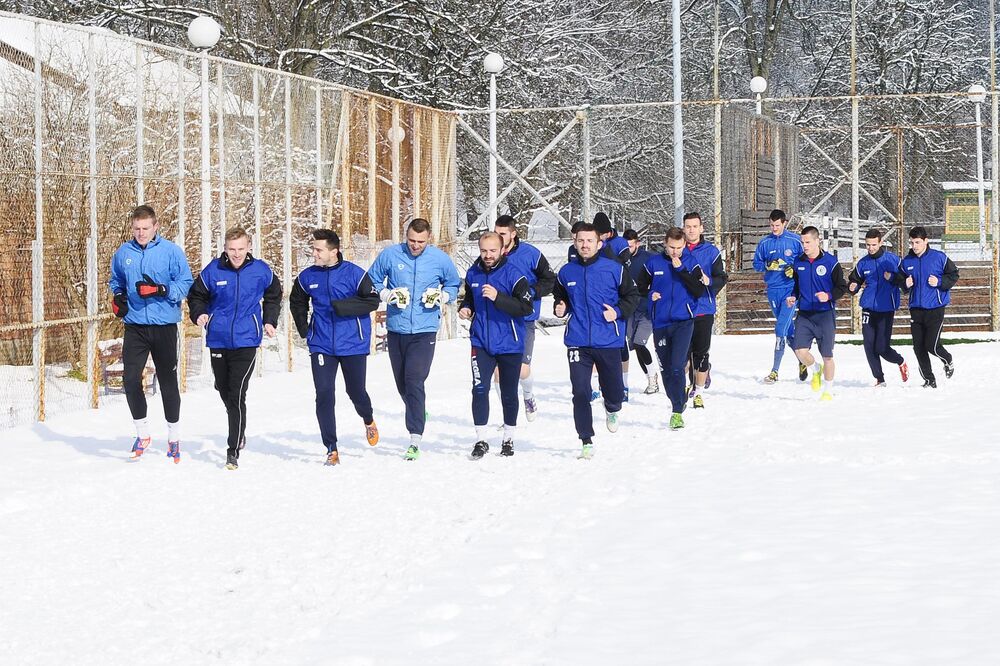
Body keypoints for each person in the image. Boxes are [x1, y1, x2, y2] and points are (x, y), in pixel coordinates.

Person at [187, 228, 283, 469]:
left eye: (241, 249)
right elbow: (196, 296)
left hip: (247, 339)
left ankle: (233, 448)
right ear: (225, 248)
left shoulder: (261, 270)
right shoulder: (213, 270)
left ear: (249, 246)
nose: (237, 254)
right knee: (223, 387)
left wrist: (270, 320)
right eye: (232, 249)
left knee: (237, 392)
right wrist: (199, 314)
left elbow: (274, 294)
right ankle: (238, 427)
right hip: (218, 338)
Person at [368, 218, 461, 460]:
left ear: (428, 239)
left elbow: (453, 283)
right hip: (397, 328)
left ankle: (415, 438)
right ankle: (418, 408)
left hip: (425, 329)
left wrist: (441, 296)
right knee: (402, 383)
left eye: (420, 241)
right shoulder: (390, 255)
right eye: (411, 240)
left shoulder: (439, 259)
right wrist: (387, 294)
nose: (415, 245)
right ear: (405, 235)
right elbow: (373, 279)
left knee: (414, 379)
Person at [109, 205, 193, 462]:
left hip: (165, 326)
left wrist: (162, 290)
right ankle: (142, 433)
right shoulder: (124, 253)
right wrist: (119, 297)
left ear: (156, 227)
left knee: (168, 383)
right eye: (137, 229)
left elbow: (186, 282)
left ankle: (174, 438)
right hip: (135, 326)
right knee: (130, 379)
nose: (141, 233)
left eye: (146, 228)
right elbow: (116, 281)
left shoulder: (171, 252)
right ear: (132, 227)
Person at [290, 229, 381, 466]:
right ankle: (331, 448)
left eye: (319, 250)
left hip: (352, 343)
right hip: (321, 344)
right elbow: (296, 300)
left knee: (355, 392)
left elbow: (372, 300)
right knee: (324, 393)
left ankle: (368, 419)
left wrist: (344, 307)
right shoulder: (307, 276)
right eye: (313, 249)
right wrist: (305, 329)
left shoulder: (354, 274)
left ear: (334, 251)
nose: (314, 254)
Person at [552, 223, 639, 459]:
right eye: (580, 241)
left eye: (590, 241)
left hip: (608, 339)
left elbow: (633, 296)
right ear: (575, 242)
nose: (585, 245)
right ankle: (586, 440)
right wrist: (560, 307)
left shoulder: (614, 269)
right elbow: (560, 296)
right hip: (578, 340)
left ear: (599, 244)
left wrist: (618, 312)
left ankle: (612, 408)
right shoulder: (566, 272)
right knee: (580, 391)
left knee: (614, 392)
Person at [458, 232, 535, 458]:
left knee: (509, 392)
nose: (488, 255)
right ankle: (481, 439)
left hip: (510, 343)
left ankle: (508, 438)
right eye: (483, 251)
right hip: (481, 341)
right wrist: (466, 308)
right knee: (479, 389)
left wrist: (498, 297)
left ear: (503, 250)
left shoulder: (515, 275)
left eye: (492, 251)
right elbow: (470, 298)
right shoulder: (473, 272)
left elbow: (525, 308)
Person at [635, 228, 706, 430]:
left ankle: (676, 411)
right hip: (660, 322)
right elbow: (639, 287)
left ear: (684, 245)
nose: (675, 252)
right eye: (671, 247)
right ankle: (677, 399)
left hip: (684, 321)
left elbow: (698, 290)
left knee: (677, 365)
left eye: (679, 247)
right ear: (665, 244)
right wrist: (651, 295)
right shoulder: (653, 263)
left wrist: (681, 269)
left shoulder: (691, 263)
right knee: (666, 369)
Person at [493, 215, 556, 421]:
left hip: (524, 320)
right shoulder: (491, 253)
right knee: (498, 371)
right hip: (499, 320)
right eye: (496, 233)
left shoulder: (531, 254)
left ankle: (528, 396)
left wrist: (530, 291)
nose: (499, 237)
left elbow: (549, 280)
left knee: (521, 368)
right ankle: (508, 413)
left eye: (503, 234)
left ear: (513, 233)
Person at [787, 226, 847, 401]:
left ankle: (827, 390)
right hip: (805, 314)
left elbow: (842, 288)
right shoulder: (798, 262)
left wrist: (828, 296)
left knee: (827, 355)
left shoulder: (831, 262)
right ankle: (815, 369)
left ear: (817, 241)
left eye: (807, 242)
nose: (804, 246)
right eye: (802, 242)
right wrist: (793, 296)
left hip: (825, 314)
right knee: (799, 351)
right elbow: (797, 286)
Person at [894, 226, 959, 388]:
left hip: (935, 308)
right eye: (911, 242)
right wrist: (904, 284)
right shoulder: (907, 261)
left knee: (931, 345)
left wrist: (939, 282)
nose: (914, 246)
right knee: (918, 347)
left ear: (925, 241)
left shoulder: (939, 258)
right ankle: (929, 380)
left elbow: (954, 274)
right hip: (916, 309)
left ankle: (948, 360)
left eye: (917, 242)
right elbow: (899, 280)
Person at [847, 228, 909, 387]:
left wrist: (893, 277)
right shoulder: (863, 263)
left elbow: (905, 282)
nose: (870, 248)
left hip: (886, 308)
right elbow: (854, 281)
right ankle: (879, 379)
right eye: (868, 245)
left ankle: (900, 361)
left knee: (881, 347)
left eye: (874, 244)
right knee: (868, 344)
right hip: (868, 307)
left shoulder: (893, 260)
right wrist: (852, 287)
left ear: (881, 243)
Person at [752, 209, 807, 384]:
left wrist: (795, 269)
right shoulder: (765, 242)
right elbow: (756, 264)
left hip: (790, 290)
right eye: (772, 225)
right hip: (773, 290)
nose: (774, 228)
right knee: (788, 331)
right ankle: (803, 359)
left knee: (780, 329)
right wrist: (767, 265)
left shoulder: (794, 241)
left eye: (777, 225)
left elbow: (805, 261)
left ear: (784, 223)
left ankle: (775, 371)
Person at [681, 212, 728, 408]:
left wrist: (710, 282)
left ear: (701, 229)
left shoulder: (711, 251)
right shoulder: (677, 249)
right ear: (683, 228)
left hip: (703, 309)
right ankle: (688, 383)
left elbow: (722, 277)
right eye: (688, 226)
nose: (691, 230)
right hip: (681, 310)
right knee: (684, 354)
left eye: (694, 226)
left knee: (700, 352)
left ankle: (698, 391)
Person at [623, 229, 659, 395]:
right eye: (626, 246)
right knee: (633, 346)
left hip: (646, 309)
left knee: (639, 343)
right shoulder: (621, 259)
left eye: (631, 245)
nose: (628, 249)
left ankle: (653, 377)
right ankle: (649, 376)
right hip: (630, 309)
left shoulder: (649, 258)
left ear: (638, 243)